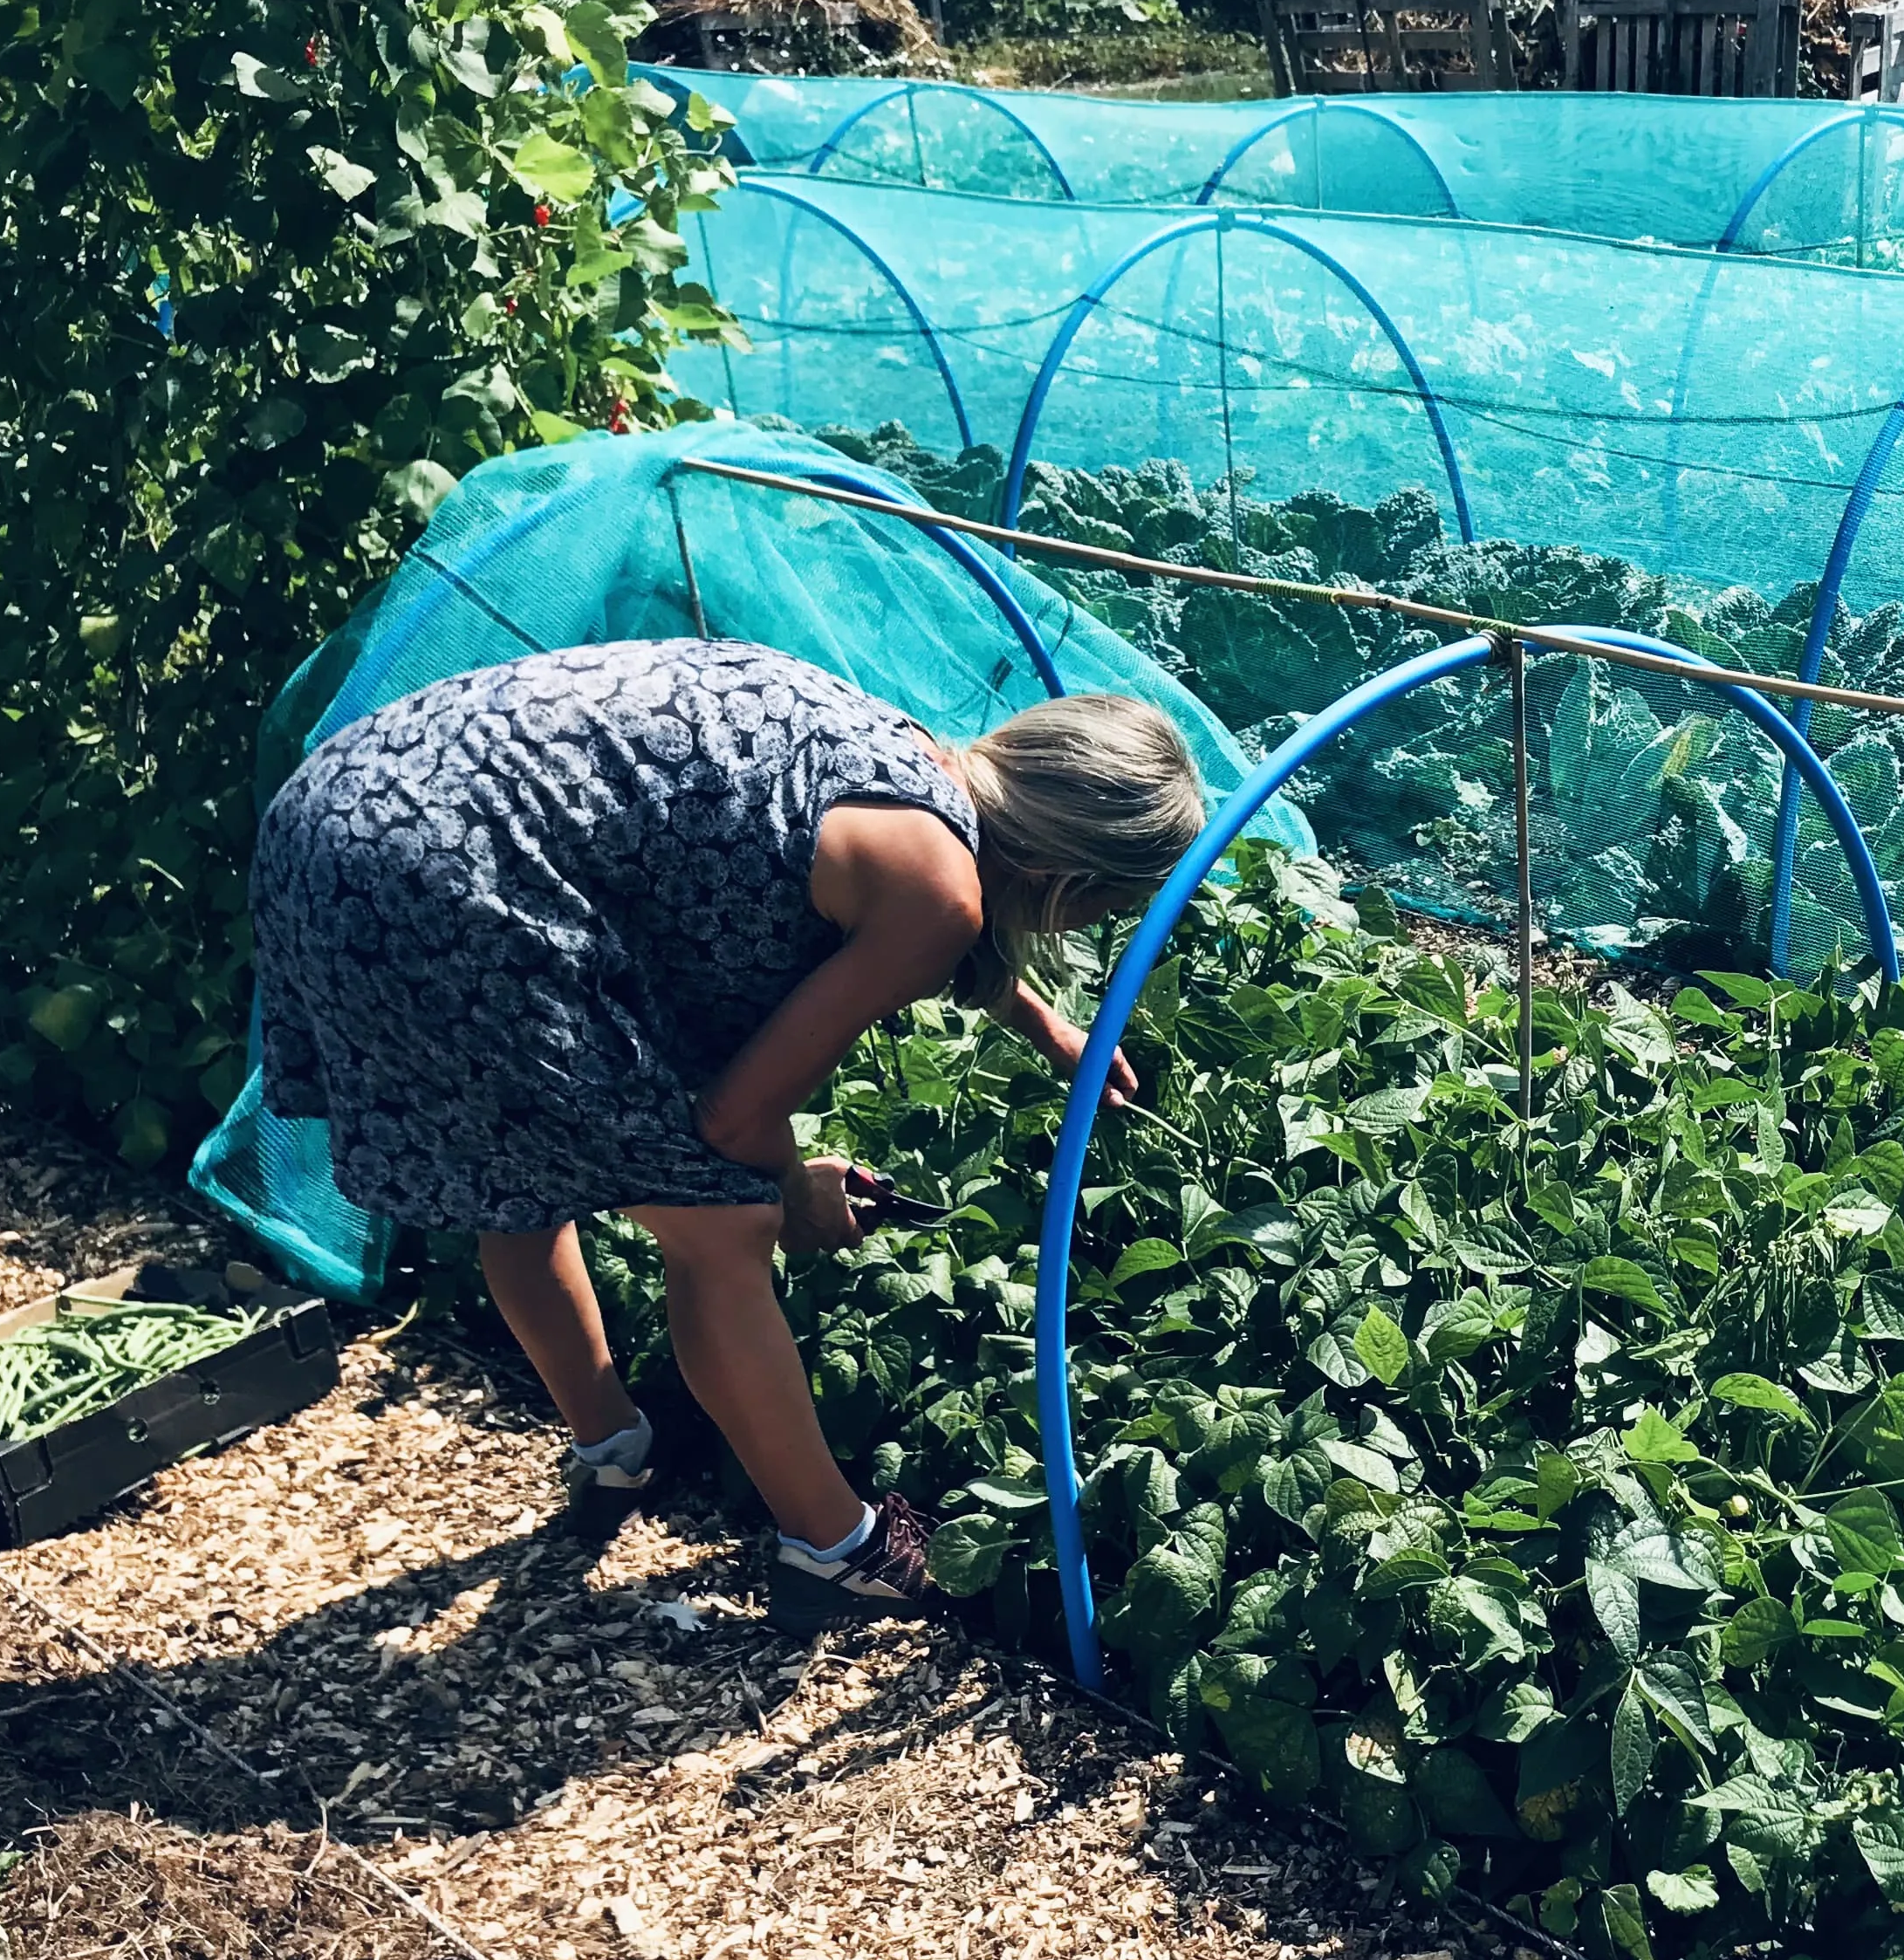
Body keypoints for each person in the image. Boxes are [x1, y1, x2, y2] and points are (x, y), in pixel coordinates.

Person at [250, 639, 1203, 1634]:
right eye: (1111, 907)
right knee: (725, 1228)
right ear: (1064, 882)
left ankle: (615, 1454)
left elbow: (907, 904)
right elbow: (736, 1119)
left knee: (517, 1178)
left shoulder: (910, 757)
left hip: (342, 811)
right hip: (442, 880)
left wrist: (1045, 1024)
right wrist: (794, 1192)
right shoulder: (938, 892)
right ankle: (837, 1549)